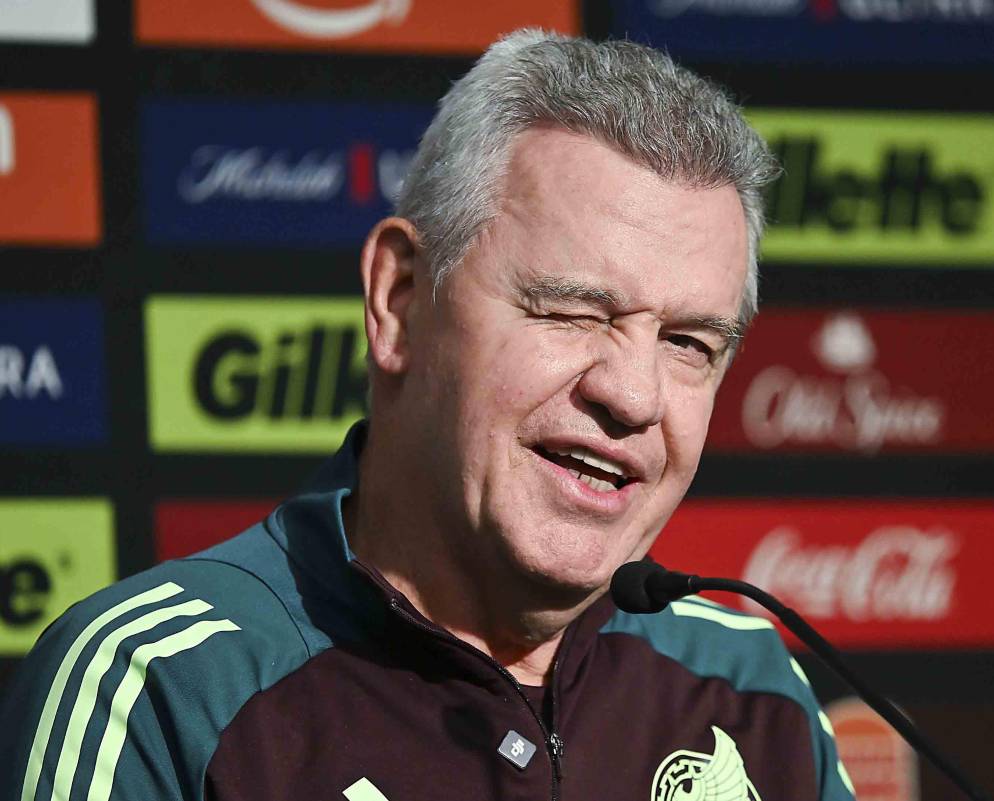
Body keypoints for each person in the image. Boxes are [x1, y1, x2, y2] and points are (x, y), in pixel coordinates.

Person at [0, 30, 856, 801]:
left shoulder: (755, 691)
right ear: (401, 300)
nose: (633, 396)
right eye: (572, 310)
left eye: (688, 343)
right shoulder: (158, 688)